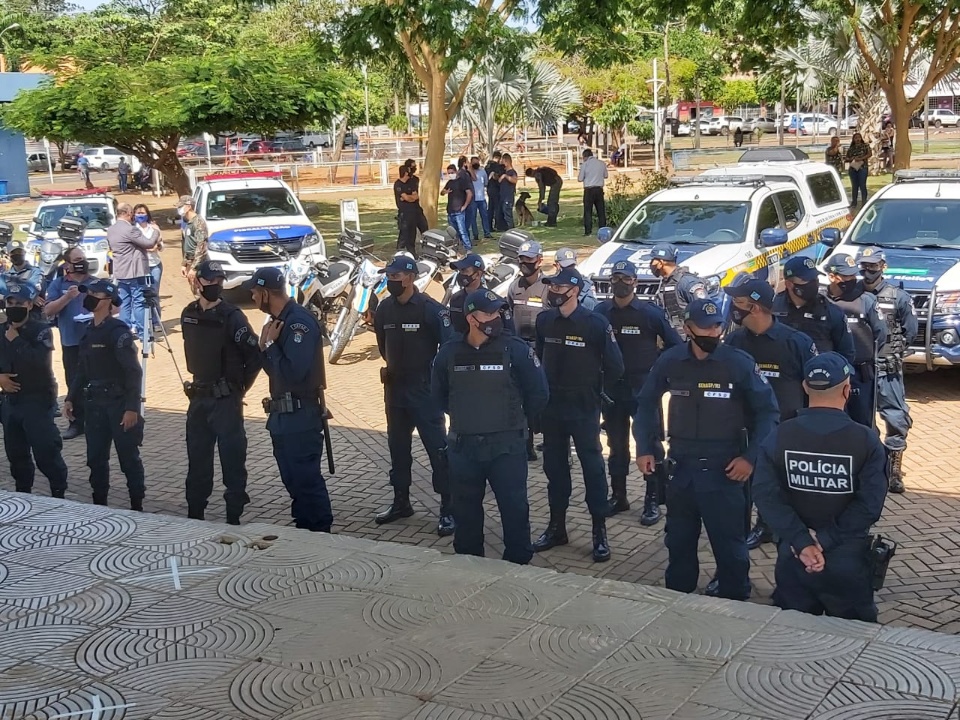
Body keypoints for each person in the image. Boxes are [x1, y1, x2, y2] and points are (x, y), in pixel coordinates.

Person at [635, 298, 780, 601]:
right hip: (681, 469)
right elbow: (646, 402)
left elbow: (768, 413)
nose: (712, 332)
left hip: (725, 471)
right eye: (705, 327)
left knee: (730, 548)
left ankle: (736, 600)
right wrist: (645, 447)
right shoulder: (671, 361)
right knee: (679, 542)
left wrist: (751, 458)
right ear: (687, 328)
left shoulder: (738, 363)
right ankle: (678, 601)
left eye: (717, 326)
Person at [753, 352, 887, 622]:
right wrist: (823, 541)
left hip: (794, 556)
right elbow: (869, 505)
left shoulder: (779, 435)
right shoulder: (866, 440)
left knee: (795, 638)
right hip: (847, 560)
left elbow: (766, 496)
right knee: (854, 643)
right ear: (848, 390)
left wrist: (803, 542)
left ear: (805, 387)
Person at [432, 289, 549, 564]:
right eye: (489, 313)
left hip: (506, 448)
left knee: (514, 510)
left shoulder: (516, 350)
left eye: (498, 312)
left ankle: (519, 566)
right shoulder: (449, 352)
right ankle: (471, 567)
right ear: (472, 318)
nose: (496, 318)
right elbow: (439, 397)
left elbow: (539, 394)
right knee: (466, 513)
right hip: (464, 449)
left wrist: (512, 421)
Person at [533, 266, 625, 562]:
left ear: (574, 290)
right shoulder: (544, 320)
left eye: (560, 288)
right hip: (553, 409)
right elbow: (538, 358)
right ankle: (557, 527)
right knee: (555, 470)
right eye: (552, 287)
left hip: (584, 408)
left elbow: (615, 367)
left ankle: (599, 531)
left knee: (593, 470)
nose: (554, 292)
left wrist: (596, 395)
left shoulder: (595, 324)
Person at [723, 273, 818, 551]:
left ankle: (782, 530)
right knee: (749, 484)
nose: (733, 308)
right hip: (746, 429)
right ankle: (756, 527)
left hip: (788, 429)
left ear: (754, 307)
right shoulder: (735, 341)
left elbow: (816, 387)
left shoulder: (796, 342)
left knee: (783, 486)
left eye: (738, 302)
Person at [245, 266, 332, 532]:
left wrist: (270, 347)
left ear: (265, 293)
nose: (251, 298)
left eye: (254, 293)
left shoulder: (297, 323)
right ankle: (304, 526)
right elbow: (274, 370)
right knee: (292, 480)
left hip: (301, 416)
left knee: (306, 480)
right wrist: (265, 348)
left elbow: (294, 372)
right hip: (282, 418)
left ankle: (319, 531)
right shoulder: (276, 322)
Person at [373, 253, 455, 534]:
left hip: (424, 392)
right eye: (388, 276)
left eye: (395, 277)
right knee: (398, 449)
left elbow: (447, 350)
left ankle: (448, 507)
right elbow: (383, 346)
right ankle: (401, 501)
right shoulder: (384, 309)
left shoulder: (431, 310)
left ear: (410, 277)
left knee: (438, 450)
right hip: (395, 390)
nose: (391, 281)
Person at [596, 260, 681, 523]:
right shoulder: (601, 313)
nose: (621, 283)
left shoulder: (649, 313)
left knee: (649, 444)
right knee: (616, 445)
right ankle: (619, 496)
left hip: (643, 391)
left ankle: (652, 500)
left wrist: (658, 370)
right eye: (616, 277)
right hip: (612, 391)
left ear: (636, 282)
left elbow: (675, 346)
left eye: (627, 278)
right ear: (610, 281)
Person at [183, 261, 262, 524]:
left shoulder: (233, 316)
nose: (214, 286)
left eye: (219, 281)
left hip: (226, 400)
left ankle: (234, 515)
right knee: (198, 460)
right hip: (198, 397)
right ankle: (195, 513)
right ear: (198, 282)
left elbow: (254, 356)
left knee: (232, 459)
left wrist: (239, 389)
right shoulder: (188, 314)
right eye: (209, 281)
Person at [64, 279, 145, 510]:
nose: (88, 296)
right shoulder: (89, 331)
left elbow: (133, 371)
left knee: (128, 459)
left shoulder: (117, 332)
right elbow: (82, 370)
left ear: (108, 300)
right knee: (96, 459)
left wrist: (132, 408)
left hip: (118, 405)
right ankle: (99, 505)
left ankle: (136, 505)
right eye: (87, 292)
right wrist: (71, 397)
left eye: (94, 293)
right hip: (95, 405)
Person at [0, 281, 68, 498]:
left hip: (36, 401)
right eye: (9, 302)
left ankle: (59, 492)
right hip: (11, 402)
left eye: (18, 302)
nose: (12, 306)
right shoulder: (2, 330)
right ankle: (24, 494)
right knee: (16, 454)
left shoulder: (42, 330)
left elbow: (39, 362)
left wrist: (17, 341)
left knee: (46, 451)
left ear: (29, 305)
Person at [858, 246, 917, 493]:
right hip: (861, 369)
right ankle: (870, 465)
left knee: (895, 417)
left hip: (887, 368)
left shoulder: (898, 296)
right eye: (864, 265)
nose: (867, 270)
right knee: (861, 420)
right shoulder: (853, 295)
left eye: (873, 266)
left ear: (883, 266)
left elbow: (910, 331)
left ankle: (893, 469)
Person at [824, 253, 886, 428]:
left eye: (853, 275)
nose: (850, 280)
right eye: (845, 276)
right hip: (831, 374)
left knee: (863, 424)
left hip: (860, 374)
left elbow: (881, 334)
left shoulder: (866, 300)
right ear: (831, 276)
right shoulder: (821, 302)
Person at [506, 240, 552, 461]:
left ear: (539, 260)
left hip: (541, 349)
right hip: (518, 348)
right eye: (521, 259)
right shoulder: (514, 286)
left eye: (529, 259)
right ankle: (526, 445)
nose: (525, 263)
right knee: (519, 396)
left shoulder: (547, 286)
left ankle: (548, 438)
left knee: (539, 396)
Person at [43, 246, 92, 440]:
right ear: (68, 264)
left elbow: (114, 307)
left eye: (84, 258)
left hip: (94, 340)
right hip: (71, 341)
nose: (82, 262)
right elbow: (48, 311)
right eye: (78, 259)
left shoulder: (95, 282)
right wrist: (67, 297)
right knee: (73, 382)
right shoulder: (58, 284)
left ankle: (97, 421)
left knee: (97, 380)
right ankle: (76, 422)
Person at [773, 256, 856, 362]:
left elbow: (847, 354)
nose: (813, 283)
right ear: (789, 284)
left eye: (815, 279)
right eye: (807, 280)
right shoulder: (772, 307)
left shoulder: (831, 312)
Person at [107, 202, 154, 339]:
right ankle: (143, 333)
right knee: (139, 302)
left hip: (121, 272)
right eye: (132, 213)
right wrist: (156, 231)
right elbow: (148, 243)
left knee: (124, 303)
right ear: (128, 213)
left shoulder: (111, 229)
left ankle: (123, 332)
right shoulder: (130, 229)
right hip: (135, 272)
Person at [447, 253, 516, 336]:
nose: (461, 274)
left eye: (465, 270)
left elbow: (510, 334)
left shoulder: (496, 302)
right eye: (460, 271)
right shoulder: (455, 299)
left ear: (478, 274)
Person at [649, 242, 708, 335]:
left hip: (688, 340)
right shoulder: (666, 282)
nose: (651, 264)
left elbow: (705, 311)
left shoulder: (686, 282)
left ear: (661, 263)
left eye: (653, 260)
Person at [133, 204, 163, 322]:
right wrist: (148, 246)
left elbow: (161, 246)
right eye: (138, 213)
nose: (141, 215)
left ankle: (156, 321)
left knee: (154, 293)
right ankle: (142, 322)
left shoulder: (154, 228)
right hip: (140, 267)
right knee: (141, 295)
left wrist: (157, 246)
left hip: (155, 264)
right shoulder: (133, 230)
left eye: (143, 213)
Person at [394, 164, 427, 255]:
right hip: (406, 213)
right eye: (408, 171)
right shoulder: (398, 184)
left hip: (416, 211)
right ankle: (409, 252)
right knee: (408, 234)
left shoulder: (411, 182)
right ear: (405, 173)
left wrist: (408, 197)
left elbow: (415, 196)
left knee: (421, 230)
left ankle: (425, 249)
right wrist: (409, 198)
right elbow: (408, 198)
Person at [441, 164, 473, 251]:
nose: (450, 174)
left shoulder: (462, 181)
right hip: (450, 211)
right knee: (453, 233)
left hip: (459, 211)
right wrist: (445, 191)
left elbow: (469, 193)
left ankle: (468, 248)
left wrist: (465, 206)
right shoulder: (449, 183)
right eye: (449, 173)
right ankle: (457, 248)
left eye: (452, 172)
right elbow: (442, 192)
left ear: (456, 171)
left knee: (462, 231)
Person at [179, 195, 208, 289]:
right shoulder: (189, 223)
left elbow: (201, 246)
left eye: (181, 206)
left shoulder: (198, 222)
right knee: (194, 290)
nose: (179, 209)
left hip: (198, 264)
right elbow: (187, 245)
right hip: (190, 262)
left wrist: (194, 268)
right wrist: (184, 264)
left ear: (188, 206)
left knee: (200, 291)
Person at [578, 149, 608, 236]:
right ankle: (603, 230)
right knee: (601, 211)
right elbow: (606, 176)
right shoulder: (601, 163)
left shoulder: (585, 165)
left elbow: (580, 179)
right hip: (599, 189)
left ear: (585, 157)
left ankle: (588, 231)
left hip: (589, 190)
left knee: (588, 211)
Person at [467, 156, 492, 244]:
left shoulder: (482, 172)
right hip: (473, 199)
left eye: (477, 162)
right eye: (474, 162)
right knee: (473, 217)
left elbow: (486, 183)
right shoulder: (468, 173)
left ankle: (487, 233)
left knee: (484, 216)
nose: (475, 164)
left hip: (481, 198)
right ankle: (475, 235)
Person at [845, 132, 872, 208]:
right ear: (853, 139)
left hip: (862, 167)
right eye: (856, 138)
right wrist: (851, 159)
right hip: (853, 168)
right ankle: (854, 202)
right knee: (854, 186)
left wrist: (860, 158)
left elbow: (869, 154)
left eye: (859, 137)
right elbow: (846, 158)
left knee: (862, 185)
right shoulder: (851, 148)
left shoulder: (865, 146)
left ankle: (864, 202)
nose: (857, 139)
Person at [485, 151, 506, 232]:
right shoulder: (497, 166)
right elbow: (496, 176)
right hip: (496, 188)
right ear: (498, 158)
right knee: (498, 208)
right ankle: (499, 225)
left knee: (490, 208)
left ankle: (489, 226)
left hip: (489, 189)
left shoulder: (487, 166)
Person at [499, 153, 519, 230]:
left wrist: (505, 176)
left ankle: (511, 230)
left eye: (503, 161)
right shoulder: (504, 172)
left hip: (508, 198)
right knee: (504, 215)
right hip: (503, 197)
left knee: (508, 215)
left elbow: (514, 180)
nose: (502, 163)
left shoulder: (512, 172)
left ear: (507, 162)